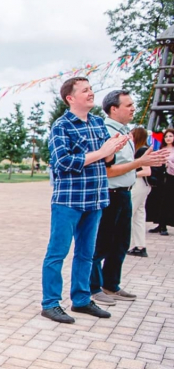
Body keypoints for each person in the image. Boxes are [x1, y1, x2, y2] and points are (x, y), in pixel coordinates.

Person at [40, 77, 130, 324]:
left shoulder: (98, 123)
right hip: (68, 200)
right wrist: (101, 153)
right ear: (71, 98)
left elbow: (106, 161)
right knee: (57, 253)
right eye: (85, 90)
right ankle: (50, 303)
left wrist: (113, 149)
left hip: (96, 198)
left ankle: (81, 300)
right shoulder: (61, 126)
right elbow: (62, 163)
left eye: (91, 89)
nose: (91, 93)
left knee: (86, 254)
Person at [91, 91, 169, 306]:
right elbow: (107, 171)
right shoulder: (107, 132)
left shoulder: (126, 133)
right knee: (101, 243)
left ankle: (111, 284)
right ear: (113, 109)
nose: (133, 108)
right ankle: (93, 288)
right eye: (128, 105)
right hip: (109, 194)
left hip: (124, 192)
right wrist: (139, 163)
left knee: (120, 243)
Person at [128, 127, 152, 258]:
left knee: (128, 214)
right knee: (139, 216)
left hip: (139, 184)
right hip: (144, 185)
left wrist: (130, 172)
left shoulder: (141, 150)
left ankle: (122, 243)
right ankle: (140, 245)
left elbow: (147, 171)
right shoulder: (143, 149)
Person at [147, 128, 174, 236]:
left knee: (168, 201)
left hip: (171, 178)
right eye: (166, 136)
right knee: (158, 200)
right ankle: (159, 223)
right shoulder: (161, 148)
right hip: (160, 178)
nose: (168, 138)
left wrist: (169, 163)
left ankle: (164, 225)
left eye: (170, 136)